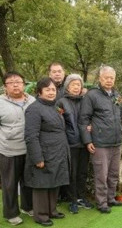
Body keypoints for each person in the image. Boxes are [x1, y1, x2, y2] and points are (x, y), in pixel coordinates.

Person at [24, 77, 70, 226]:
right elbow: (31, 136)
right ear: (39, 92)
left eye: (53, 89)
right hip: (44, 153)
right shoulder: (34, 109)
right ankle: (41, 215)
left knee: (54, 181)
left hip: (57, 152)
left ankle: (52, 210)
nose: (51, 92)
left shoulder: (55, 106)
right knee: (42, 184)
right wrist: (37, 158)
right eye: (47, 89)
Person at [79, 66, 122, 214]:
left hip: (116, 142)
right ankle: (102, 202)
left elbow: (120, 115)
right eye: (106, 77)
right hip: (100, 143)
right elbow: (83, 119)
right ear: (100, 78)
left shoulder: (116, 95)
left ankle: (111, 198)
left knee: (113, 174)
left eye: (111, 78)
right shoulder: (92, 95)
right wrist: (87, 140)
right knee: (101, 175)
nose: (109, 80)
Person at [0, 71, 35, 226]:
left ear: (24, 84)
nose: (15, 85)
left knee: (28, 181)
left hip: (29, 149)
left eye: (18, 82)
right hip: (9, 150)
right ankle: (11, 213)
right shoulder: (0, 102)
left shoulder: (32, 101)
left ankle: (28, 206)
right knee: (10, 184)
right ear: (5, 86)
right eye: (11, 82)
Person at [56, 74, 94, 214]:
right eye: (73, 85)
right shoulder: (61, 102)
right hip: (69, 143)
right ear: (67, 86)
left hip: (85, 142)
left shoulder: (86, 101)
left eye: (78, 85)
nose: (76, 87)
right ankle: (72, 200)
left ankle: (81, 197)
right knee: (72, 172)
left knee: (82, 172)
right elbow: (58, 123)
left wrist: (92, 125)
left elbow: (92, 117)